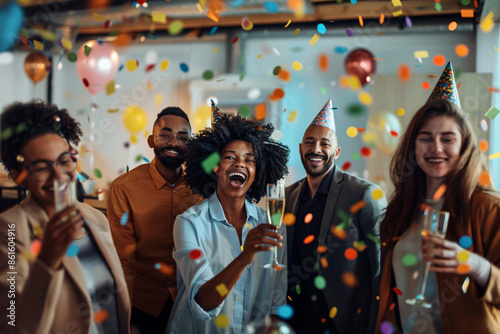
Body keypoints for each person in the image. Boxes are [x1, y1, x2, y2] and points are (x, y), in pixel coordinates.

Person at [376, 62, 500, 333]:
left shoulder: (487, 208)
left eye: (447, 138)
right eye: (426, 138)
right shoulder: (400, 210)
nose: (436, 148)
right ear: (413, 145)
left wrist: (475, 265)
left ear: (464, 145)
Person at [0, 100, 130, 333]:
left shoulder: (95, 218)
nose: (58, 176)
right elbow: (11, 324)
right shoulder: (9, 230)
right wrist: (46, 262)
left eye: (63, 161)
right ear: (20, 175)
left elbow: (108, 298)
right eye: (41, 167)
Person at [166, 110, 290, 334]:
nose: (240, 164)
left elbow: (276, 299)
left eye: (249, 160)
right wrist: (245, 256)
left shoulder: (272, 224)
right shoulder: (189, 224)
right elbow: (203, 300)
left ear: (256, 172)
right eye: (230, 157)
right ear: (215, 166)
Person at [285, 99, 386, 334]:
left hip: (346, 323)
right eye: (309, 142)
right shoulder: (288, 196)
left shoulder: (364, 194)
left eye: (325, 143)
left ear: (337, 152)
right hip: (298, 319)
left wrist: (376, 326)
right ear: (301, 149)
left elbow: (380, 269)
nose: (316, 149)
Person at [107, 106, 201, 333]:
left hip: (189, 301)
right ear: (151, 140)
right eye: (165, 135)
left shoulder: (200, 186)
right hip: (142, 303)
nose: (174, 143)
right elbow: (123, 260)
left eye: (182, 137)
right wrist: (124, 316)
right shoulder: (124, 187)